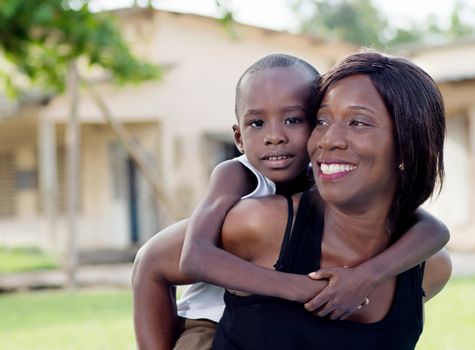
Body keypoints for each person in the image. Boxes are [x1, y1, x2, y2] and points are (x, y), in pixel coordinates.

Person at [132, 53, 449, 349]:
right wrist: (301, 288)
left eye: (296, 120)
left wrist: (367, 276)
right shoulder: (244, 192)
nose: (275, 136)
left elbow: (434, 230)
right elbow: (171, 259)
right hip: (204, 321)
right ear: (238, 137)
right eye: (324, 121)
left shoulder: (422, 260)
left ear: (408, 146)